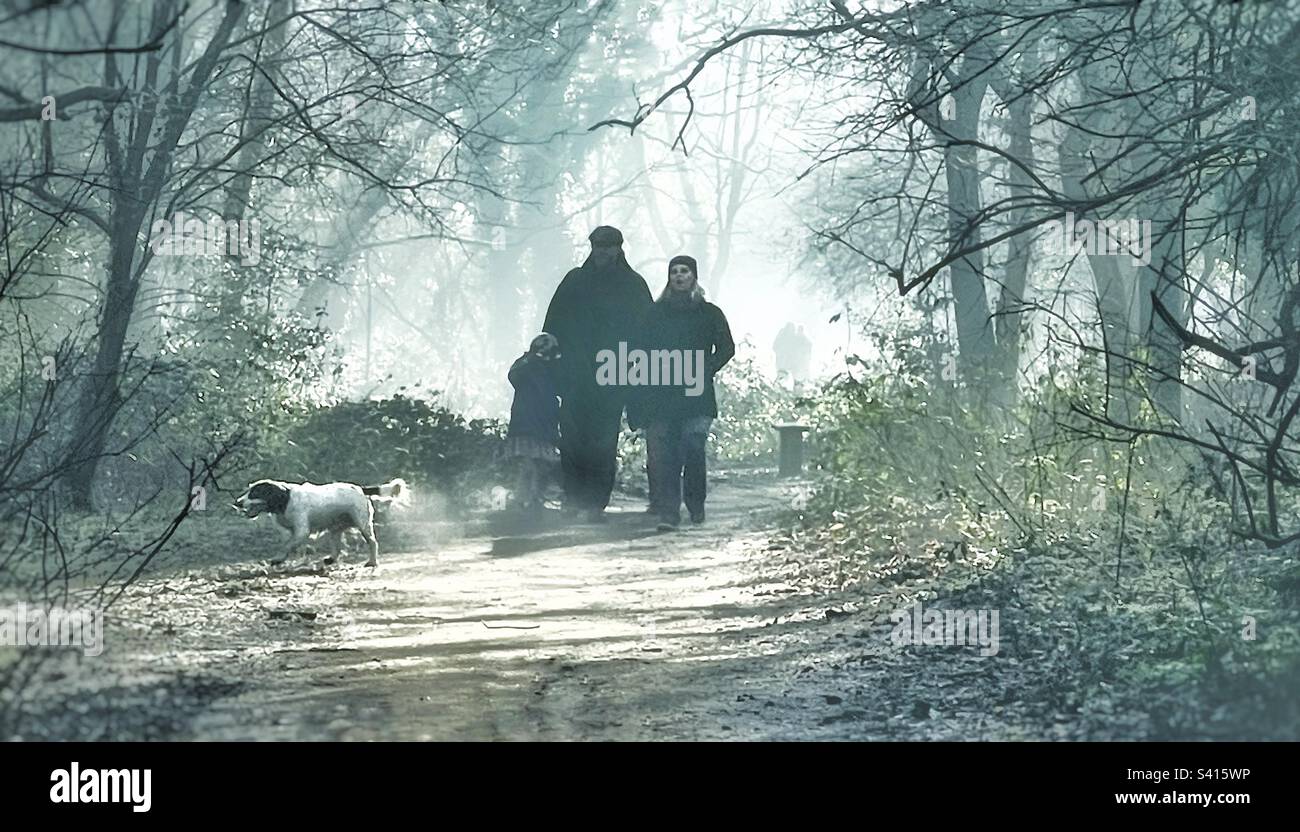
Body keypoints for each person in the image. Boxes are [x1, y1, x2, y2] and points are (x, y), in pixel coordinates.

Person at [542, 226, 653, 521]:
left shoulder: (633, 285)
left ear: (619, 248)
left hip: (613, 375)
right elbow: (552, 327)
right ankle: (573, 498)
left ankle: (594, 503)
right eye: (597, 246)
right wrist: (554, 366)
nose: (602, 252)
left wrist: (636, 376)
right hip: (575, 374)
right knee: (572, 440)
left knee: (602, 442)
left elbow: (647, 334)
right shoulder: (575, 281)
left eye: (608, 247)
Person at [635, 255, 735, 531]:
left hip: (697, 394)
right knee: (665, 456)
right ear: (669, 277)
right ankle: (669, 513)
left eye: (685, 271)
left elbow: (726, 347)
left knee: (693, 449)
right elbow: (638, 349)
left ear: (694, 276)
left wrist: (706, 369)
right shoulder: (654, 314)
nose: (679, 276)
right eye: (674, 272)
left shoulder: (710, 313)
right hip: (662, 394)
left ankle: (696, 503)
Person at [505, 333, 562, 514]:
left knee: (533, 464)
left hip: (530, 425)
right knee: (532, 464)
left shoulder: (528, 368)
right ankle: (525, 498)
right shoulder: (537, 370)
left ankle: (528, 498)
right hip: (534, 426)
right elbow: (549, 401)